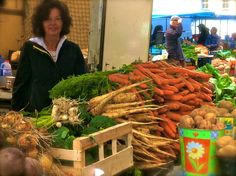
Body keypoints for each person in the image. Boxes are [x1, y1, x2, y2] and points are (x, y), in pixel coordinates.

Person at [11, 0, 87, 112]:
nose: (53, 23)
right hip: (35, 117)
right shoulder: (30, 48)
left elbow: (82, 85)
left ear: (64, 22)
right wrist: (14, 113)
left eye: (58, 19)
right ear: (41, 22)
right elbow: (21, 85)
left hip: (65, 117)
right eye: (48, 19)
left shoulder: (73, 50)